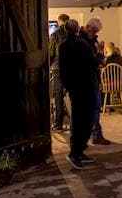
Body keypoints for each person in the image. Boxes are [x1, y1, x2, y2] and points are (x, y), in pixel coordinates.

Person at [58, 19, 101, 170]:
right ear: (77, 29)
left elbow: (62, 70)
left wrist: (68, 86)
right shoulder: (81, 44)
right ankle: (75, 153)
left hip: (74, 88)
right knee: (85, 120)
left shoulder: (62, 45)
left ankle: (78, 152)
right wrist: (100, 54)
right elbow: (92, 64)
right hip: (85, 86)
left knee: (77, 119)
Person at [82, 18, 111, 146]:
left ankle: (94, 135)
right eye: (93, 31)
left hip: (93, 79)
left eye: (96, 31)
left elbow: (96, 61)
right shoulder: (82, 42)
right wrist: (99, 52)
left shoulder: (92, 40)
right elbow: (90, 62)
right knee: (92, 110)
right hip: (87, 80)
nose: (94, 34)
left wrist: (101, 59)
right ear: (87, 27)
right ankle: (93, 136)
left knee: (95, 108)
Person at [48, 13, 69, 132]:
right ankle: (75, 123)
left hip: (58, 69)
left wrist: (49, 65)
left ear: (59, 21)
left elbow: (51, 53)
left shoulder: (55, 35)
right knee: (73, 96)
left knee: (58, 97)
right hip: (72, 69)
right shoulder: (74, 35)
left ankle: (58, 124)